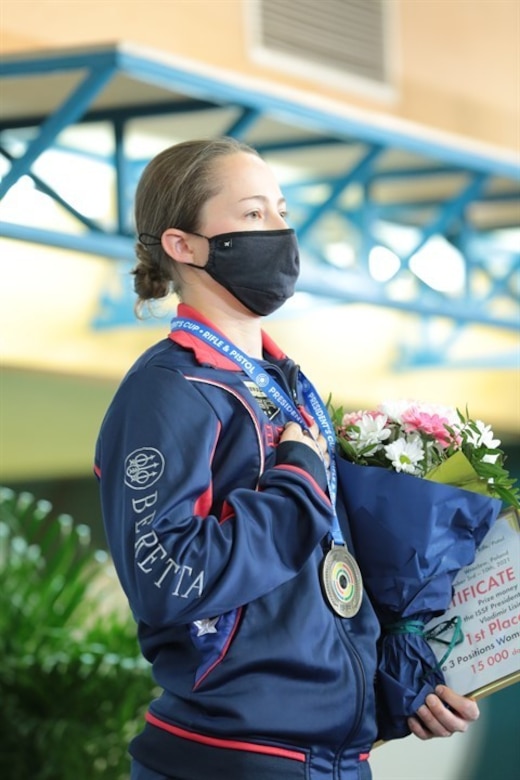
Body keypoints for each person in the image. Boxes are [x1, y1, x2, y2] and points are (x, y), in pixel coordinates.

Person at [94, 137, 479, 780]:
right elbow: (168, 577)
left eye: (281, 209)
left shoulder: (285, 383)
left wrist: (393, 671)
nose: (279, 230)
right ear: (182, 245)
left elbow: (318, 572)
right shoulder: (170, 389)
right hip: (232, 758)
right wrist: (297, 484)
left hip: (332, 755)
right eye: (251, 215)